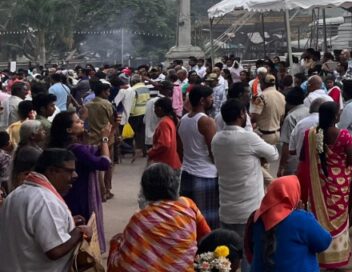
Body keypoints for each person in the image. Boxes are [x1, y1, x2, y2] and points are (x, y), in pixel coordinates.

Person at [107, 163, 211, 272]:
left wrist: (115, 243)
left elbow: (122, 266)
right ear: (175, 185)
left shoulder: (139, 219)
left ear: (146, 190)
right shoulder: (187, 205)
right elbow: (207, 238)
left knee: (117, 241)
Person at [0, 148, 90, 272]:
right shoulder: (45, 201)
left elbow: (31, 229)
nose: (75, 176)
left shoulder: (17, 193)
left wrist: (66, 223)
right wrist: (79, 232)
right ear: (52, 171)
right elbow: (55, 250)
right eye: (70, 171)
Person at [297, 101, 352, 269]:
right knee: (337, 218)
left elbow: (304, 157)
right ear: (336, 116)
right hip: (339, 187)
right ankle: (336, 257)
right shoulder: (343, 135)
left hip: (320, 185)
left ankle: (321, 255)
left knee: (319, 217)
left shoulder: (312, 134)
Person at [211, 99, 280, 238]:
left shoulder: (216, 139)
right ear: (242, 115)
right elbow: (273, 155)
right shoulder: (248, 138)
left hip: (226, 208)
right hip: (249, 209)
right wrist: (260, 157)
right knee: (250, 252)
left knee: (232, 252)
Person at [47, 110, 111, 251]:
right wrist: (105, 138)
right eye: (77, 121)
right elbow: (104, 163)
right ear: (69, 130)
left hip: (67, 192)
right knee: (83, 229)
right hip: (81, 194)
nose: (82, 122)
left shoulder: (61, 145)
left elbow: (95, 151)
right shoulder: (77, 149)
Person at [245, 175, 332, 272]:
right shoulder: (301, 219)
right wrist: (305, 215)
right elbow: (324, 242)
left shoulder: (256, 219)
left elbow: (250, 251)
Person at [180, 85, 221, 229]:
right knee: (207, 220)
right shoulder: (206, 121)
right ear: (202, 101)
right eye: (210, 97)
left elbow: (180, 149)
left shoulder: (184, 119)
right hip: (206, 174)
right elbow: (214, 151)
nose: (212, 100)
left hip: (187, 171)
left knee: (190, 217)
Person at [147, 96, 182, 170]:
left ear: (159, 109)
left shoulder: (164, 122)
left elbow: (164, 144)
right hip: (171, 162)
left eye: (155, 108)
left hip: (166, 163)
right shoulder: (170, 120)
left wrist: (151, 151)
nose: (154, 111)